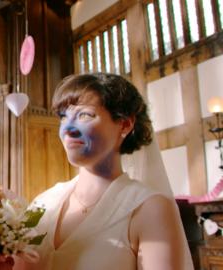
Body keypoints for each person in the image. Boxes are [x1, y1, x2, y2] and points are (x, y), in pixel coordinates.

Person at [10, 73, 194, 269]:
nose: (68, 129)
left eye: (85, 115)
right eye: (64, 117)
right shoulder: (43, 203)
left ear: (125, 124)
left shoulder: (148, 209)